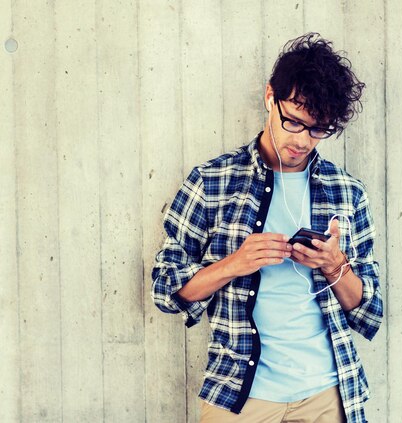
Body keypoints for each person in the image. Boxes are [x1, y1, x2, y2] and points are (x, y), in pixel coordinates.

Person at [151, 33, 383, 423]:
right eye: (292, 122)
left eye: (317, 130)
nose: (301, 140)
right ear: (270, 97)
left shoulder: (347, 191)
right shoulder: (212, 181)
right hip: (240, 396)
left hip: (328, 394)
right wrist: (235, 264)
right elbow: (165, 290)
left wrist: (334, 264)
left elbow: (368, 311)